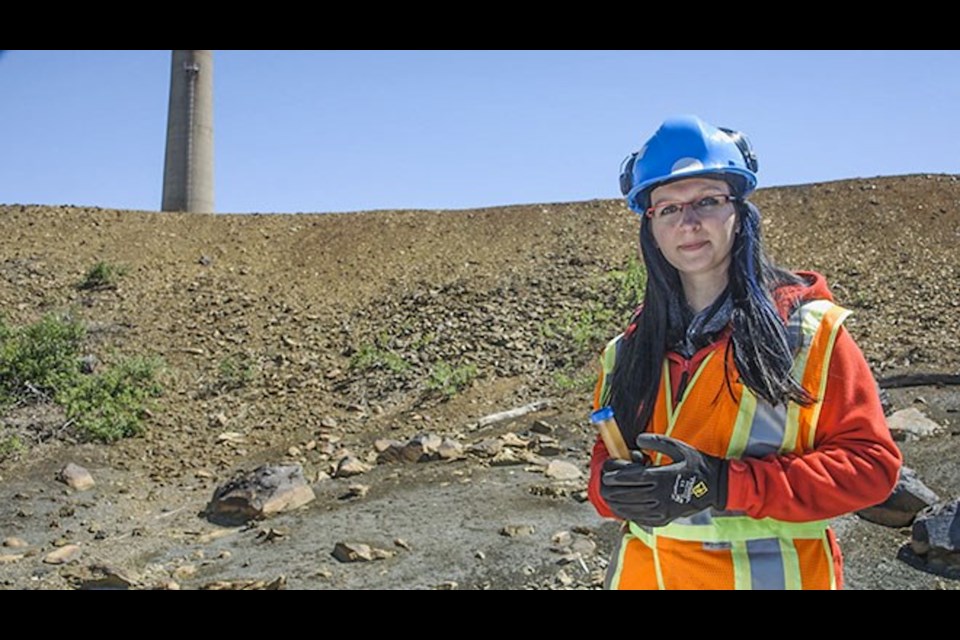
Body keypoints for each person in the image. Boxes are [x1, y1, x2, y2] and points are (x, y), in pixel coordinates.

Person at [588, 115, 902, 590]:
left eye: (707, 202)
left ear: (739, 212)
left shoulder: (807, 333)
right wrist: (611, 490)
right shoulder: (628, 350)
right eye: (668, 209)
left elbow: (872, 469)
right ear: (650, 227)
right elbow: (603, 464)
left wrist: (723, 483)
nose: (688, 223)